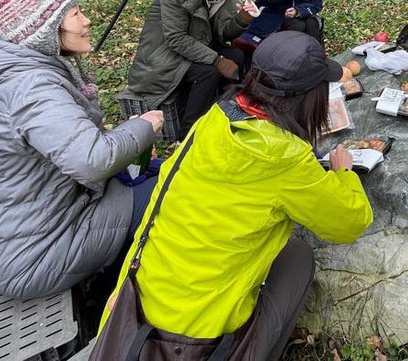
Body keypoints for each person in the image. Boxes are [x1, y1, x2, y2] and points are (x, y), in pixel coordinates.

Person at [100, 31, 373, 360]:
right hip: (197, 343)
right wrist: (343, 173)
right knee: (299, 256)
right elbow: (348, 223)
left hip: (131, 312)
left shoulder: (214, 119)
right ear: (310, 96)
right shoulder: (285, 156)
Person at [0, 0, 164, 300]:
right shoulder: (32, 85)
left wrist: (129, 142)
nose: (86, 20)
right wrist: (142, 127)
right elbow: (91, 161)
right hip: (35, 255)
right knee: (168, 192)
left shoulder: (28, 71)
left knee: (153, 174)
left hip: (30, 233)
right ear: (42, 27)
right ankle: (126, 297)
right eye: (75, 13)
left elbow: (74, 147)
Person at [128, 0, 259, 134]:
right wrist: (217, 60)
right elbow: (176, 38)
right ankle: (189, 131)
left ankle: (222, 109)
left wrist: (242, 19)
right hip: (163, 55)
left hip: (192, 47)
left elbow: (222, 34)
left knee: (237, 56)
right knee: (208, 71)